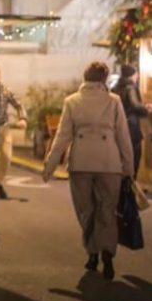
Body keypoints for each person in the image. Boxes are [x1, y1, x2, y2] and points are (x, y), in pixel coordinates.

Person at [43, 61, 134, 280]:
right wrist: (128, 167)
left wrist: (50, 166)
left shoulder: (72, 101)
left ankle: (92, 253)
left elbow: (62, 136)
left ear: (85, 77)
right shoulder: (114, 101)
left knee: (86, 211)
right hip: (109, 163)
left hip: (81, 162)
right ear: (104, 79)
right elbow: (123, 135)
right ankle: (107, 255)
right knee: (107, 210)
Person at [0, 63, 27, 200]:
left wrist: (22, 118)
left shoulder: (5, 90)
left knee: (7, 156)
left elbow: (18, 104)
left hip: (3, 128)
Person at [112, 65, 148, 174]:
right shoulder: (131, 87)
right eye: (136, 75)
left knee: (120, 157)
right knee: (134, 156)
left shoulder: (115, 87)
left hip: (117, 125)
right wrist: (145, 110)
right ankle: (130, 184)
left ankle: (120, 186)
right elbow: (135, 105)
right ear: (131, 75)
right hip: (131, 127)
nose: (137, 77)